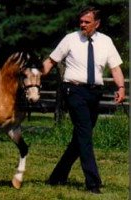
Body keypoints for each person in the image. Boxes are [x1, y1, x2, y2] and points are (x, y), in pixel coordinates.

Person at [42, 6, 125, 194]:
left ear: (97, 23)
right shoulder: (70, 39)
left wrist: (121, 87)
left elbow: (115, 68)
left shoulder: (106, 42)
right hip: (73, 90)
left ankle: (57, 177)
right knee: (85, 135)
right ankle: (93, 183)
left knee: (79, 139)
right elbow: (50, 61)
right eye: (81, 21)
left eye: (87, 22)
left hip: (94, 93)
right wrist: (36, 75)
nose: (83, 25)